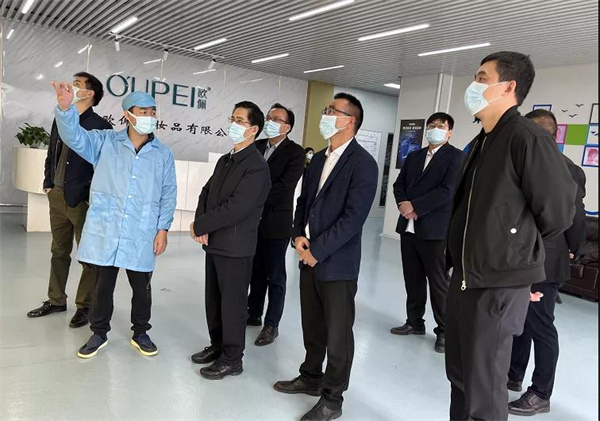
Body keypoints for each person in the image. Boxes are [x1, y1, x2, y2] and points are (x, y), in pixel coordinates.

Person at [444, 51, 576, 421]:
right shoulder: (482, 141)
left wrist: (514, 252)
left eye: (482, 78)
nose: (473, 85)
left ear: (508, 87)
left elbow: (558, 214)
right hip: (467, 276)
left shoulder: (527, 138)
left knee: (485, 387)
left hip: (498, 282)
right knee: (460, 377)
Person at [51, 83, 177, 359]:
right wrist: (65, 108)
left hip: (141, 231)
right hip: (107, 228)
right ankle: (99, 333)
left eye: (152, 112)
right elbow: (73, 136)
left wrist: (163, 228)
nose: (149, 116)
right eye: (143, 111)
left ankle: (140, 332)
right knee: (102, 286)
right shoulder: (105, 142)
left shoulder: (163, 153)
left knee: (141, 287)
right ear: (127, 115)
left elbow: (168, 192)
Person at [274, 93, 378, 421]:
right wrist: (297, 236)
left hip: (337, 264)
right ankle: (310, 375)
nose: (326, 114)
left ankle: (332, 398)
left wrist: (317, 251)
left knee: (338, 334)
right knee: (313, 324)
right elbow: (303, 201)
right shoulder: (318, 158)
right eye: (327, 109)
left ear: (350, 121)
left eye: (333, 110)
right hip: (308, 256)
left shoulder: (363, 164)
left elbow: (353, 218)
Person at [507, 109, 587, 416]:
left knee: (540, 325)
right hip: (518, 257)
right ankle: (513, 374)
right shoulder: (522, 163)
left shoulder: (567, 170)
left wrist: (572, 250)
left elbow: (574, 217)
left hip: (546, 260)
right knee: (519, 320)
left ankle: (541, 393)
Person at [190, 101, 270, 380]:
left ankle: (232, 358)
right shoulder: (226, 160)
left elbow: (237, 207)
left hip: (236, 247)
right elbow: (206, 192)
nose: (233, 125)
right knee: (213, 300)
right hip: (214, 242)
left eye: (240, 121)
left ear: (254, 129)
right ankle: (218, 346)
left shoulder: (257, 167)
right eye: (232, 118)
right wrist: (201, 222)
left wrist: (202, 224)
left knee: (233, 305)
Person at [27, 72, 112, 328]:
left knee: (88, 256)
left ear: (89, 93)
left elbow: (104, 167)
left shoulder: (101, 126)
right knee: (58, 251)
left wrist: (91, 196)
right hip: (57, 195)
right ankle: (56, 300)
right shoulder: (62, 117)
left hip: (82, 200)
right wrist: (48, 182)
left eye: (77, 85)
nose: (71, 88)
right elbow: (52, 153)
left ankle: (85, 305)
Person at [391, 112, 463, 353]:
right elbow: (399, 184)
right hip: (408, 228)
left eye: (440, 126)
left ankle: (444, 331)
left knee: (438, 282)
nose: (435, 129)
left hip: (434, 230)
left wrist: (415, 206)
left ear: (449, 132)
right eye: (431, 125)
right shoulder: (414, 156)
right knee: (413, 279)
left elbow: (447, 190)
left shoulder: (456, 157)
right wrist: (403, 204)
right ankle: (414, 322)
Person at [247, 103, 305, 346]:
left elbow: (285, 187)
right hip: (252, 221)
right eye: (269, 117)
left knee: (275, 276)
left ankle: (272, 324)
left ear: (287, 127)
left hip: (276, 221)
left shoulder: (296, 153)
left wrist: (253, 197)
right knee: (255, 271)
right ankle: (253, 313)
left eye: (277, 119)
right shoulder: (257, 145)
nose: (270, 122)